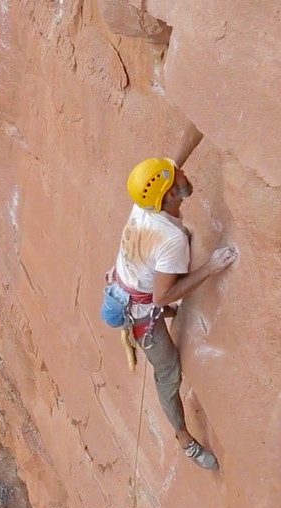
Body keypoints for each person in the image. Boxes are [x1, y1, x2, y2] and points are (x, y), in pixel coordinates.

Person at [106, 157, 237, 470]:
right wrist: (210, 268)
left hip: (130, 279)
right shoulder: (170, 238)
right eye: (176, 177)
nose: (182, 173)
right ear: (168, 196)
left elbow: (166, 168)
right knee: (167, 372)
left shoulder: (145, 203)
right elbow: (160, 295)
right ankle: (184, 439)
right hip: (139, 310)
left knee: (174, 257)